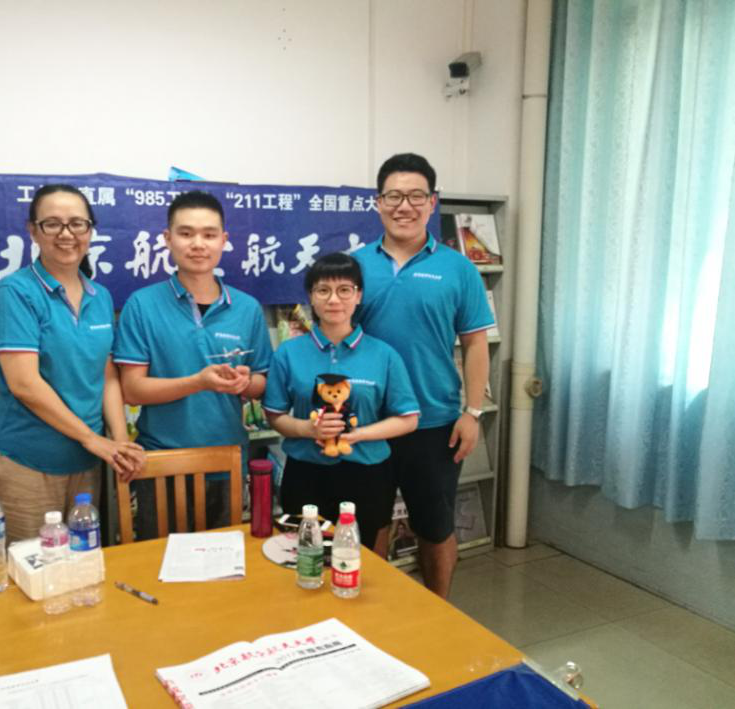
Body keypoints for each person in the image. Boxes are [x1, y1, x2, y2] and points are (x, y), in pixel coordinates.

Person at [353, 153, 494, 598]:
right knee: (368, 525)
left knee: (434, 525)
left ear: (432, 203)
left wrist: (472, 412)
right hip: (369, 423)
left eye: (416, 196)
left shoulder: (458, 268)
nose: (404, 206)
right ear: (378, 203)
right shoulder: (354, 266)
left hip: (434, 422)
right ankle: (369, 614)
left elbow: (475, 344)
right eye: (394, 196)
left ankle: (439, 610)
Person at [0, 184, 145, 543]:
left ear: (90, 230)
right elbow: (25, 384)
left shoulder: (100, 296)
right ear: (33, 230)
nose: (66, 234)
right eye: (52, 223)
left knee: (82, 564)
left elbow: (107, 374)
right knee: (34, 567)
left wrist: (119, 442)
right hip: (26, 461)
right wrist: (93, 440)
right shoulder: (15, 293)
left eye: (77, 223)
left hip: (86, 460)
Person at [114, 191, 272, 538]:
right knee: (160, 561)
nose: (198, 244)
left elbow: (262, 382)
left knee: (226, 562)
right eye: (186, 233)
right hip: (163, 463)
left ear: (224, 240)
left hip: (227, 461)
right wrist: (199, 382)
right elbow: (132, 390)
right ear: (167, 239)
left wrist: (245, 382)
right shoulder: (142, 305)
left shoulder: (247, 308)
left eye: (209, 234)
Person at [262, 252, 419, 549]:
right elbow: (275, 415)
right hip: (305, 473)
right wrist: (307, 429)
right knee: (304, 555)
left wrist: (358, 434)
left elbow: (408, 419)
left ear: (358, 296)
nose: (334, 299)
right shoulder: (288, 353)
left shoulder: (384, 354)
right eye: (323, 290)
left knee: (362, 557)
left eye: (344, 290)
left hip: (368, 474)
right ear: (311, 296)